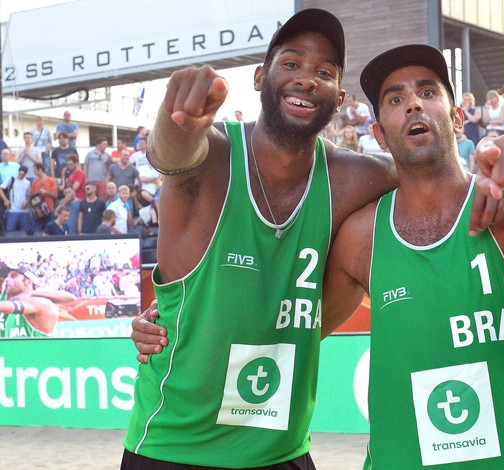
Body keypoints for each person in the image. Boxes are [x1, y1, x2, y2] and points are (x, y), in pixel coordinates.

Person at [121, 9, 399, 469]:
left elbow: (439, 187)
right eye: (291, 63)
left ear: (340, 97)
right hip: (173, 447)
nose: (307, 79)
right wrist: (179, 119)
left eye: (323, 72)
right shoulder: (212, 154)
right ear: (258, 77)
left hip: (281, 450)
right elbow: (170, 156)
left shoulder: (357, 178)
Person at [333, 44, 504, 468]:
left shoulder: (503, 208)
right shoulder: (360, 236)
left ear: (457, 118)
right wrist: (172, 313)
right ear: (379, 134)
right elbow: (294, 324)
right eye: (396, 99)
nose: (414, 103)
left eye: (428, 91)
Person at [0, 265, 60, 337]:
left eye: (13, 276)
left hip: (36, 348)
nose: (6, 279)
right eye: (7, 276)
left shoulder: (40, 302)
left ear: (28, 282)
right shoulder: (9, 303)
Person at [0, 165, 31, 235]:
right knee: (10, 231)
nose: (21, 175)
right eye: (20, 173)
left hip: (23, 211)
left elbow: (29, 194)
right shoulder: (11, 179)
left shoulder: (27, 183)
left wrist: (26, 201)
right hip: (12, 210)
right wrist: (5, 200)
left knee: (24, 231)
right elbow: (1, 188)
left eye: (23, 174)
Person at [29, 163, 58, 235]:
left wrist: (45, 193)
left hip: (49, 210)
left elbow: (55, 195)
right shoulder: (35, 182)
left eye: (35, 170)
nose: (34, 173)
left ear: (40, 170)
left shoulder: (51, 180)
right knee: (37, 232)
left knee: (49, 232)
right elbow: (32, 195)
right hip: (38, 212)